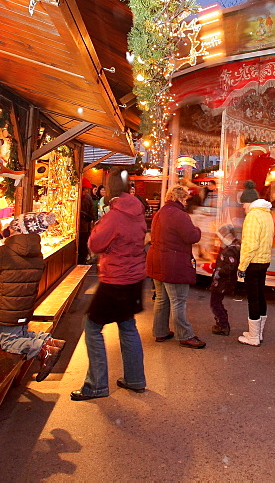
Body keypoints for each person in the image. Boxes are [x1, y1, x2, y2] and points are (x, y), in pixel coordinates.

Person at [71, 167, 148, 400]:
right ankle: (135, 379)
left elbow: (95, 244)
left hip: (116, 278)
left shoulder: (114, 215)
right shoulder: (137, 211)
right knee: (127, 325)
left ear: (111, 187)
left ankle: (96, 385)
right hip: (134, 278)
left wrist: (98, 226)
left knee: (92, 327)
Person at [0, 212, 63, 381]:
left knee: (10, 342)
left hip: (8, 310)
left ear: (16, 231)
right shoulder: (37, 253)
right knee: (20, 335)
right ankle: (49, 341)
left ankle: (43, 349)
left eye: (11, 227)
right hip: (24, 308)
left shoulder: (4, 252)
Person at [147, 186, 206, 349]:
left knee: (161, 298)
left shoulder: (160, 213)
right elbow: (191, 236)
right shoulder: (179, 215)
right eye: (185, 199)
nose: (186, 202)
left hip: (157, 260)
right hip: (173, 262)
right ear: (180, 198)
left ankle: (160, 331)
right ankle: (185, 335)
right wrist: (198, 229)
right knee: (178, 300)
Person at [237, 189, 273, 346]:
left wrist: (242, 266)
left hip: (253, 262)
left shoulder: (252, 216)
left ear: (249, 202)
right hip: (264, 260)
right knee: (260, 296)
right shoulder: (267, 214)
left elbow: (250, 245)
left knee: (253, 299)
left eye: (244, 204)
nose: (243, 207)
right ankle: (258, 333)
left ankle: (253, 337)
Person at [210, 224, 240, 336]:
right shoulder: (231, 249)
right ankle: (222, 321)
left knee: (215, 303)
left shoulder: (230, 251)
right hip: (222, 282)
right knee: (217, 303)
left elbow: (229, 267)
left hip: (222, 282)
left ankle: (223, 325)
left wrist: (218, 271)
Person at [78, 178, 95, 264]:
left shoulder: (86, 198)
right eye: (84, 189)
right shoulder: (83, 197)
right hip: (82, 228)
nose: (86, 191)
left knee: (82, 247)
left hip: (83, 228)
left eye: (86, 189)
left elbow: (92, 214)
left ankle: (81, 262)